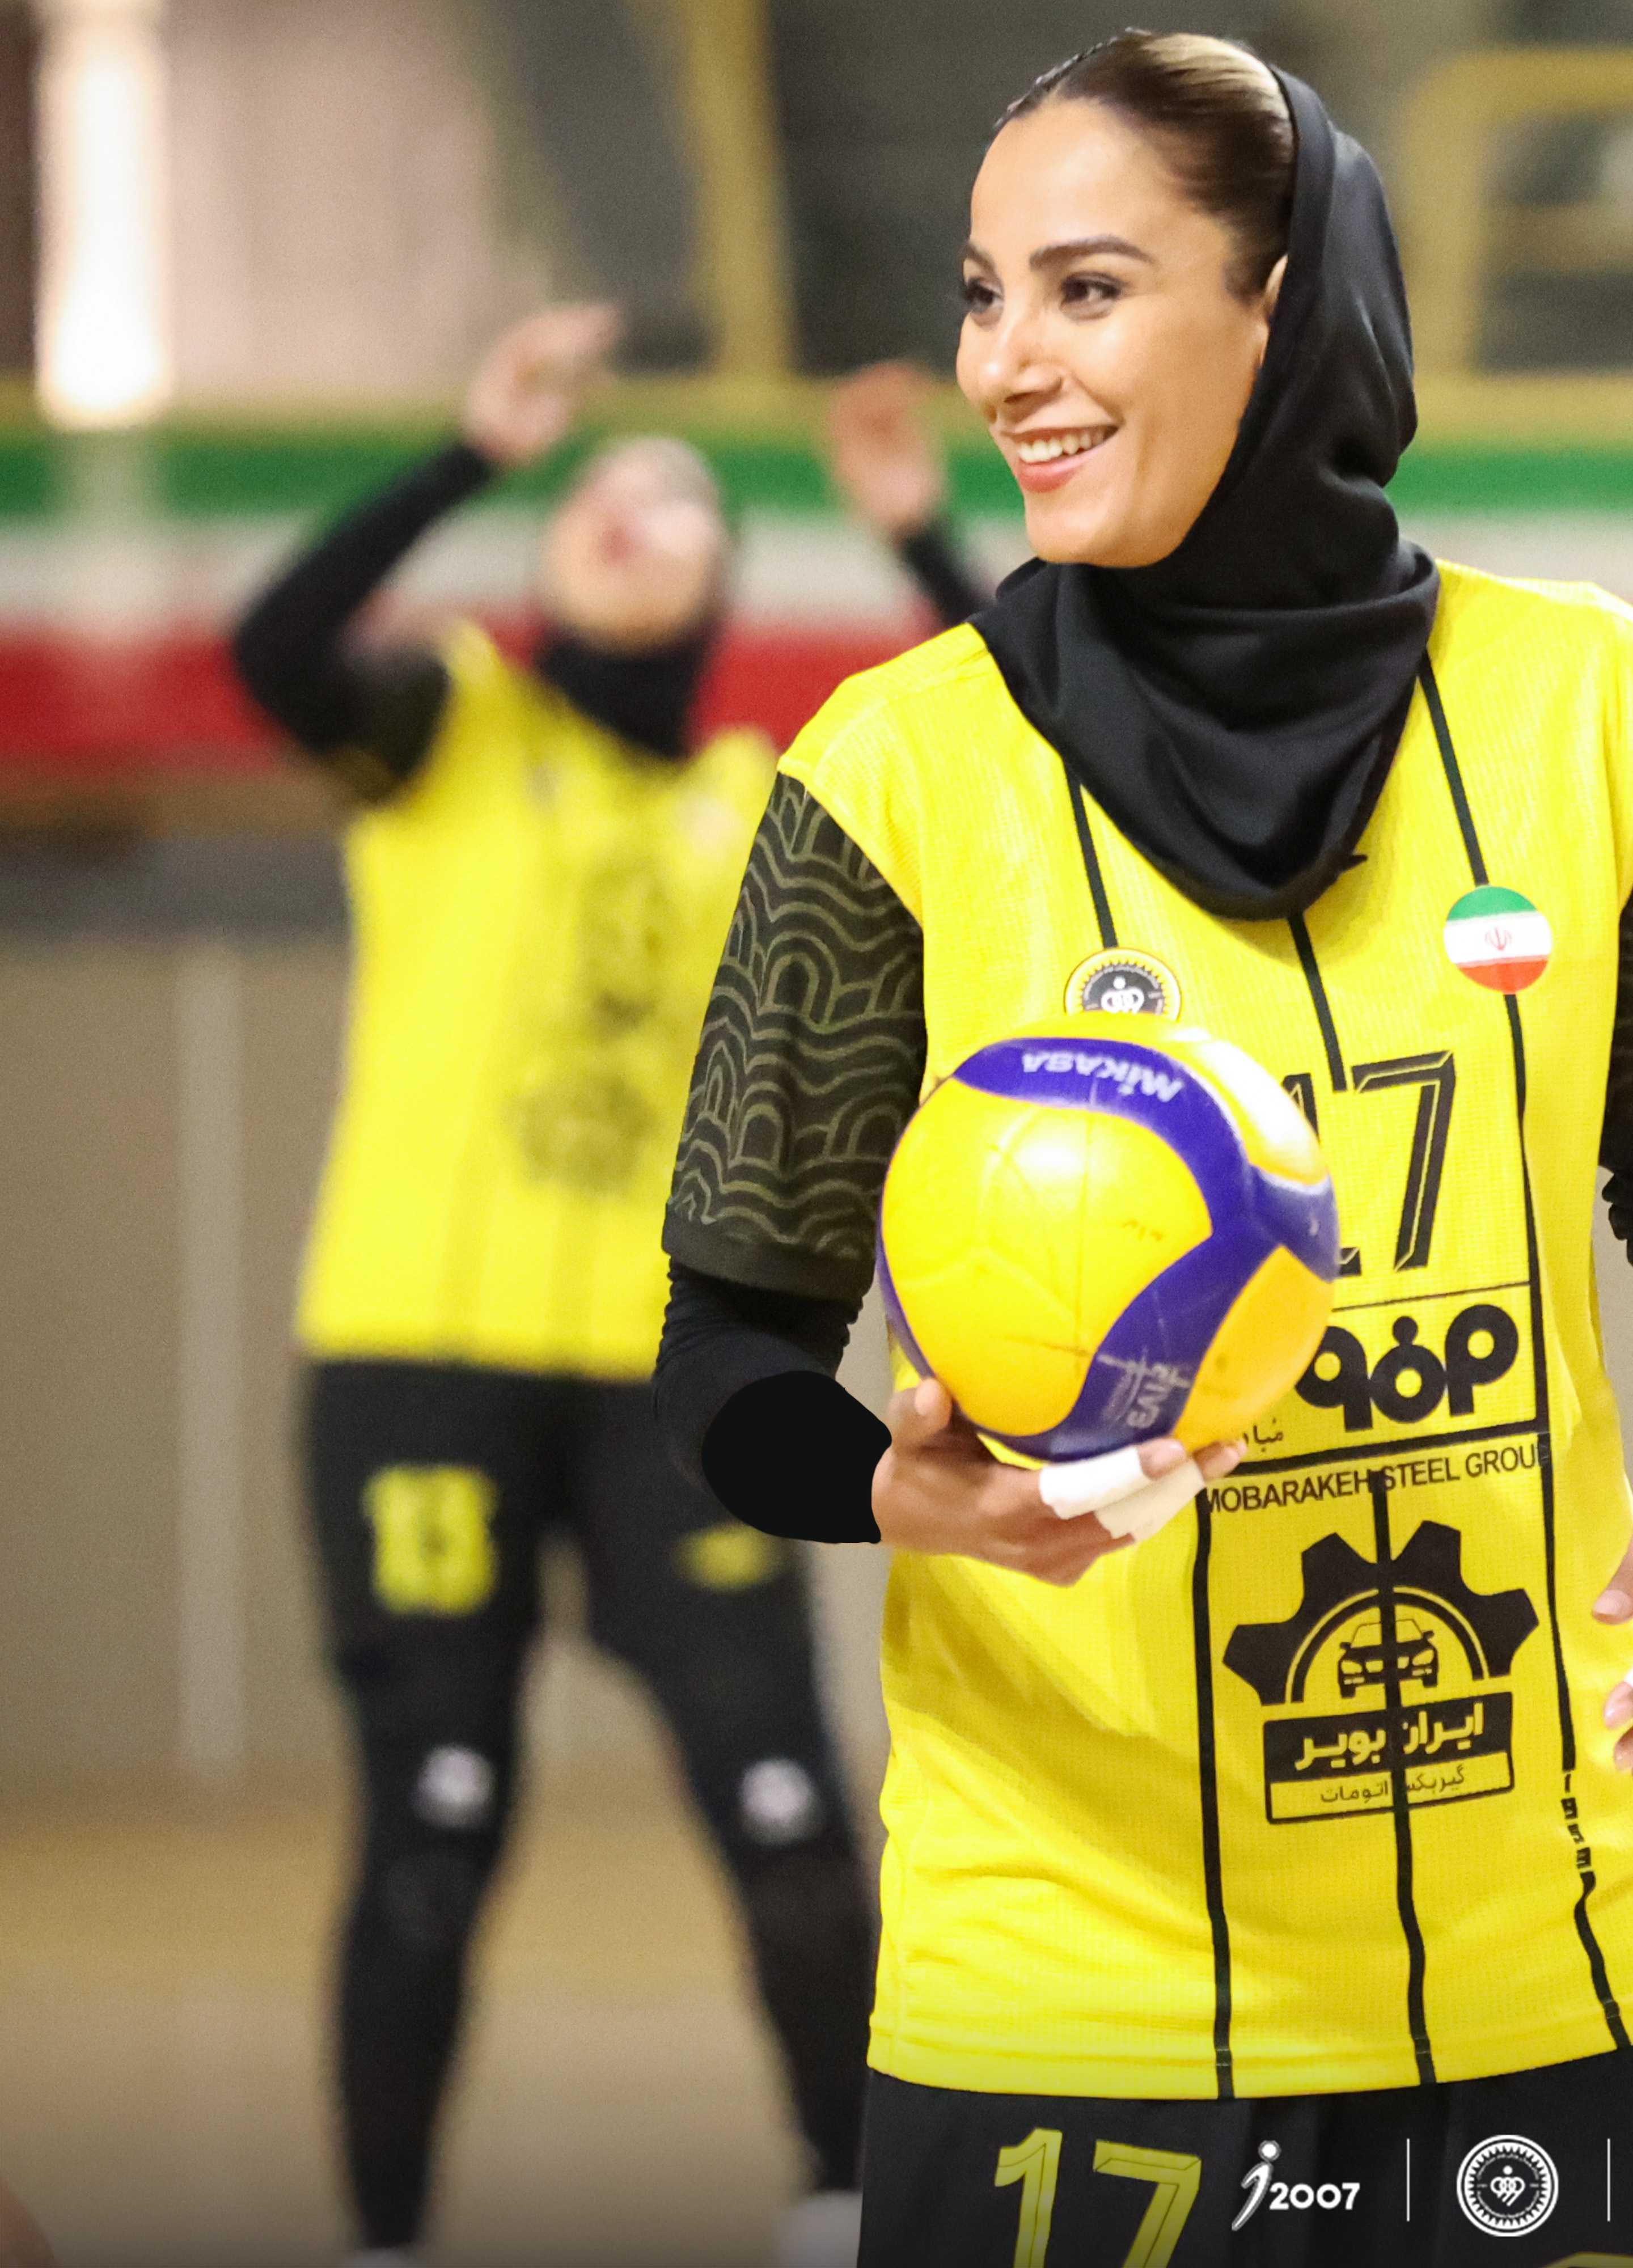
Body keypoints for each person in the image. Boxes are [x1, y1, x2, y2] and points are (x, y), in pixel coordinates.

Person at [655, 33, 1633, 2265]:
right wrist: (897, 1491)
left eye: (1086, 289)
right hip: (1065, 2010)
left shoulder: (1587, 700)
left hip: (1560, 1975)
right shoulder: (887, 777)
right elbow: (721, 1352)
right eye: (984, 294)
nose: (1006, 363)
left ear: (1285, 308)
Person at [229, 308, 992, 2268]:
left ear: (724, 576)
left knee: (785, 1813)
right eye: (599, 492)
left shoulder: (766, 794)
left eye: (677, 495)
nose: (632, 509)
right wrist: (471, 450)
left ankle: (843, 2201)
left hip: (673, 1391)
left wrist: (917, 532)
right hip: (416, 1361)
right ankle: (384, 2235)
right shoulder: (455, 728)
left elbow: (1032, 745)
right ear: (548, 553)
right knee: (436, 1823)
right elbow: (274, 650)